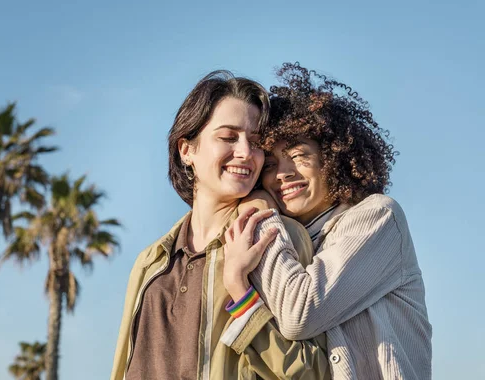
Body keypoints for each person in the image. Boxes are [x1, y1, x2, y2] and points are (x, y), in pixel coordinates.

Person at [111, 70, 330, 380]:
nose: (245, 153)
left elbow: (315, 372)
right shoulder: (149, 262)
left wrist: (242, 296)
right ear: (186, 150)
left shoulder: (275, 237)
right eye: (228, 137)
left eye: (255, 143)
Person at [221, 63, 432, 380]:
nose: (283, 173)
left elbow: (300, 313)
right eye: (271, 164)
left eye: (298, 154)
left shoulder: (377, 217)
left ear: (332, 155)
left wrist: (260, 208)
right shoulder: (293, 240)